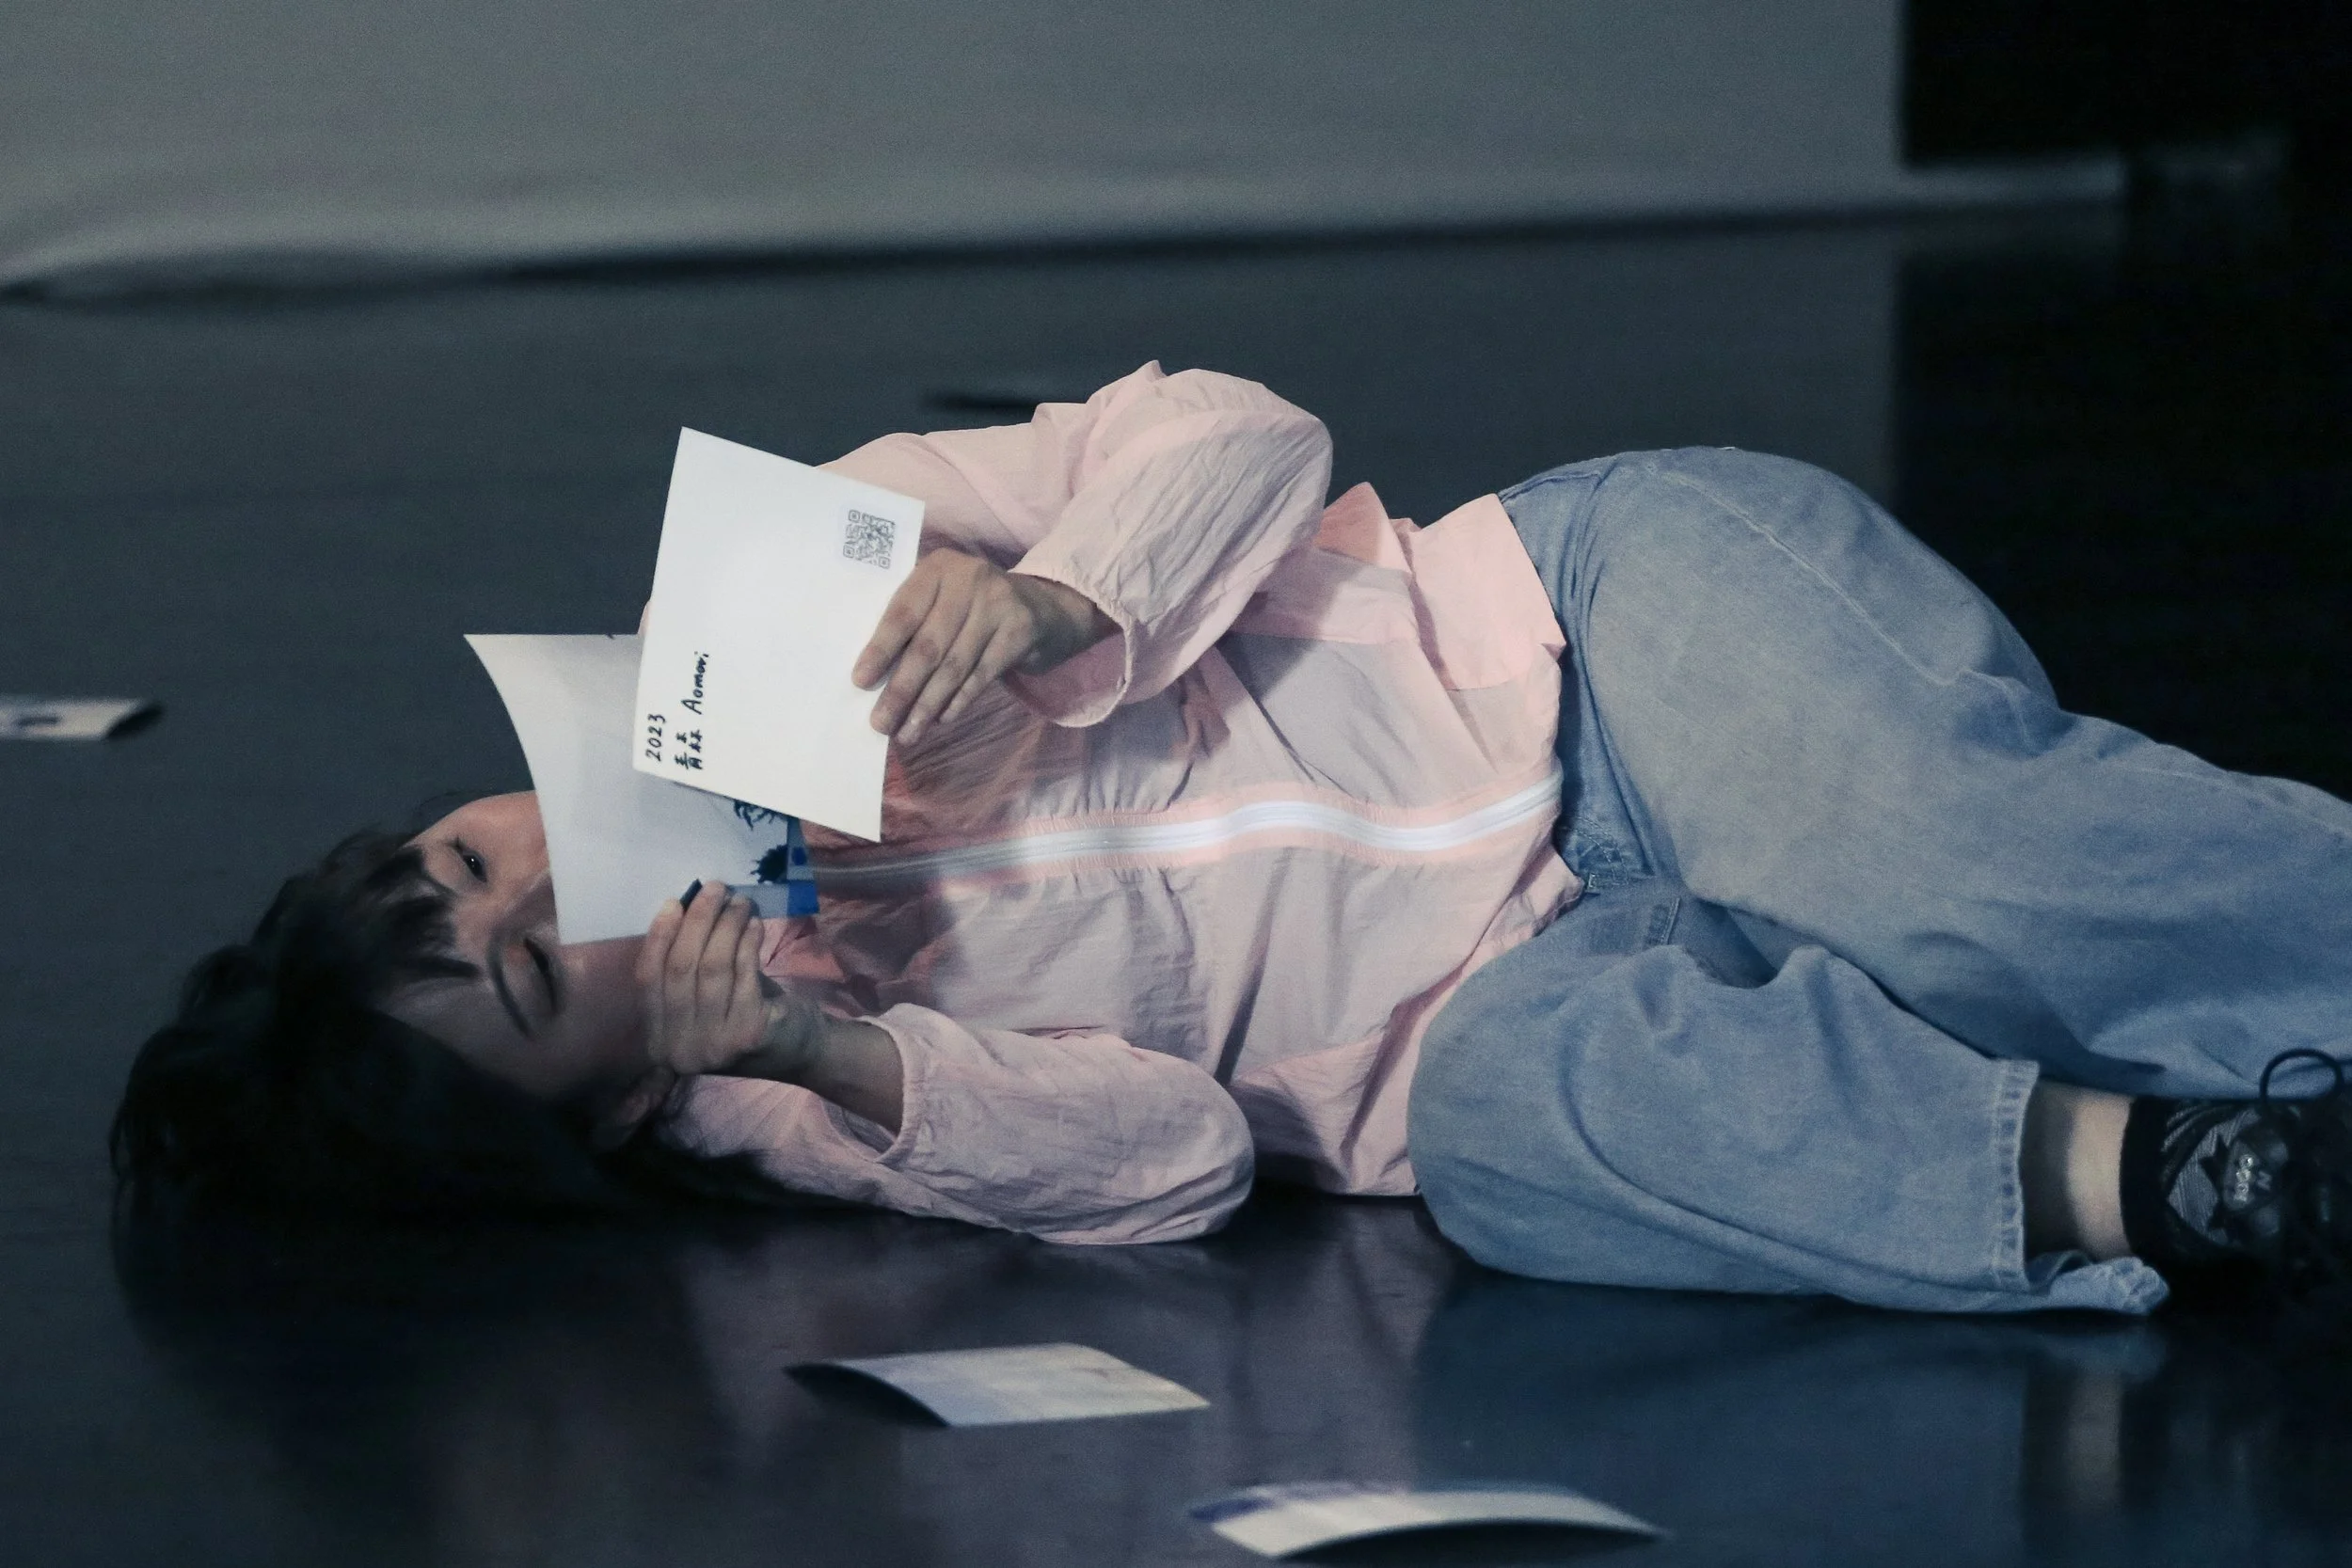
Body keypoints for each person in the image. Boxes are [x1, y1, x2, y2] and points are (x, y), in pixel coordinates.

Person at [114, 364, 2352, 1316]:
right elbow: (1176, 1159)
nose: (532, 869)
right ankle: (2181, 1174)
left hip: (1590, 634)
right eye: (528, 960)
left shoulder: (768, 602)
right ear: (608, 1097)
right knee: (1506, 1152)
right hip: (1508, 989)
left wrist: (1055, 602)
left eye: (467, 854)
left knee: (1960, 885)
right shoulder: (789, 1112)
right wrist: (822, 1049)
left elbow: (1239, 427)